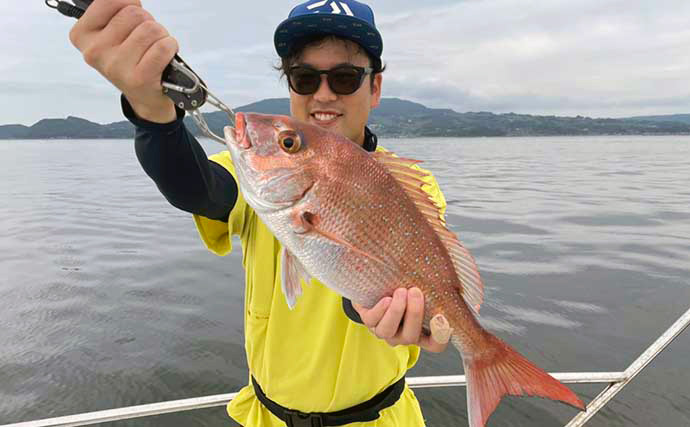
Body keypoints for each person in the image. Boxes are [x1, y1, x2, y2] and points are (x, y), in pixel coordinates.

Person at [69, 0, 451, 425]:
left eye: (344, 78)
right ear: (290, 86)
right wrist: (152, 111)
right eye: (304, 78)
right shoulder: (259, 174)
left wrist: (381, 310)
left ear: (375, 88)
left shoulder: (410, 187)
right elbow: (197, 188)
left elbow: (385, 287)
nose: (323, 94)